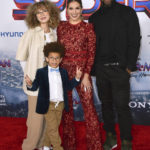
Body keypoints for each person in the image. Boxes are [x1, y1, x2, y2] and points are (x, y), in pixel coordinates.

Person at [89, 0, 141, 149]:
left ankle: (126, 141)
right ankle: (110, 138)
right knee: (106, 106)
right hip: (101, 70)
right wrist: (95, 69)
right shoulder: (94, 17)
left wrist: (129, 67)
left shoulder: (128, 12)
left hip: (121, 70)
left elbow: (135, 39)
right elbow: (92, 45)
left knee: (122, 107)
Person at [57, 0, 103, 150]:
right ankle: (69, 146)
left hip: (82, 73)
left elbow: (91, 53)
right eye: (71, 8)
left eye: (77, 8)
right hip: (63, 73)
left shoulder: (88, 28)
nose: (74, 11)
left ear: (82, 9)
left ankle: (95, 146)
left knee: (89, 110)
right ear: (67, 10)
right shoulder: (61, 27)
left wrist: (85, 75)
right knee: (67, 111)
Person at [16, 1, 60, 150]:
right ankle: (28, 147)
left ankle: (42, 145)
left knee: (47, 117)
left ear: (51, 13)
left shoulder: (54, 34)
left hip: (51, 84)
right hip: (35, 84)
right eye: (38, 12)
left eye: (44, 11)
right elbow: (22, 58)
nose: (42, 14)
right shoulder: (30, 33)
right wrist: (31, 78)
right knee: (35, 119)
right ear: (34, 16)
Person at [25, 42, 82, 150]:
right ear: (47, 58)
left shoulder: (63, 72)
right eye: (51, 58)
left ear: (60, 59)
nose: (54, 61)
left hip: (60, 105)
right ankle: (57, 147)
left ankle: (46, 146)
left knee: (52, 127)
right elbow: (34, 87)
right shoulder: (41, 72)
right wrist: (30, 84)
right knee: (53, 130)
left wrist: (77, 78)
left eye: (57, 58)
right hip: (48, 105)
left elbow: (69, 86)